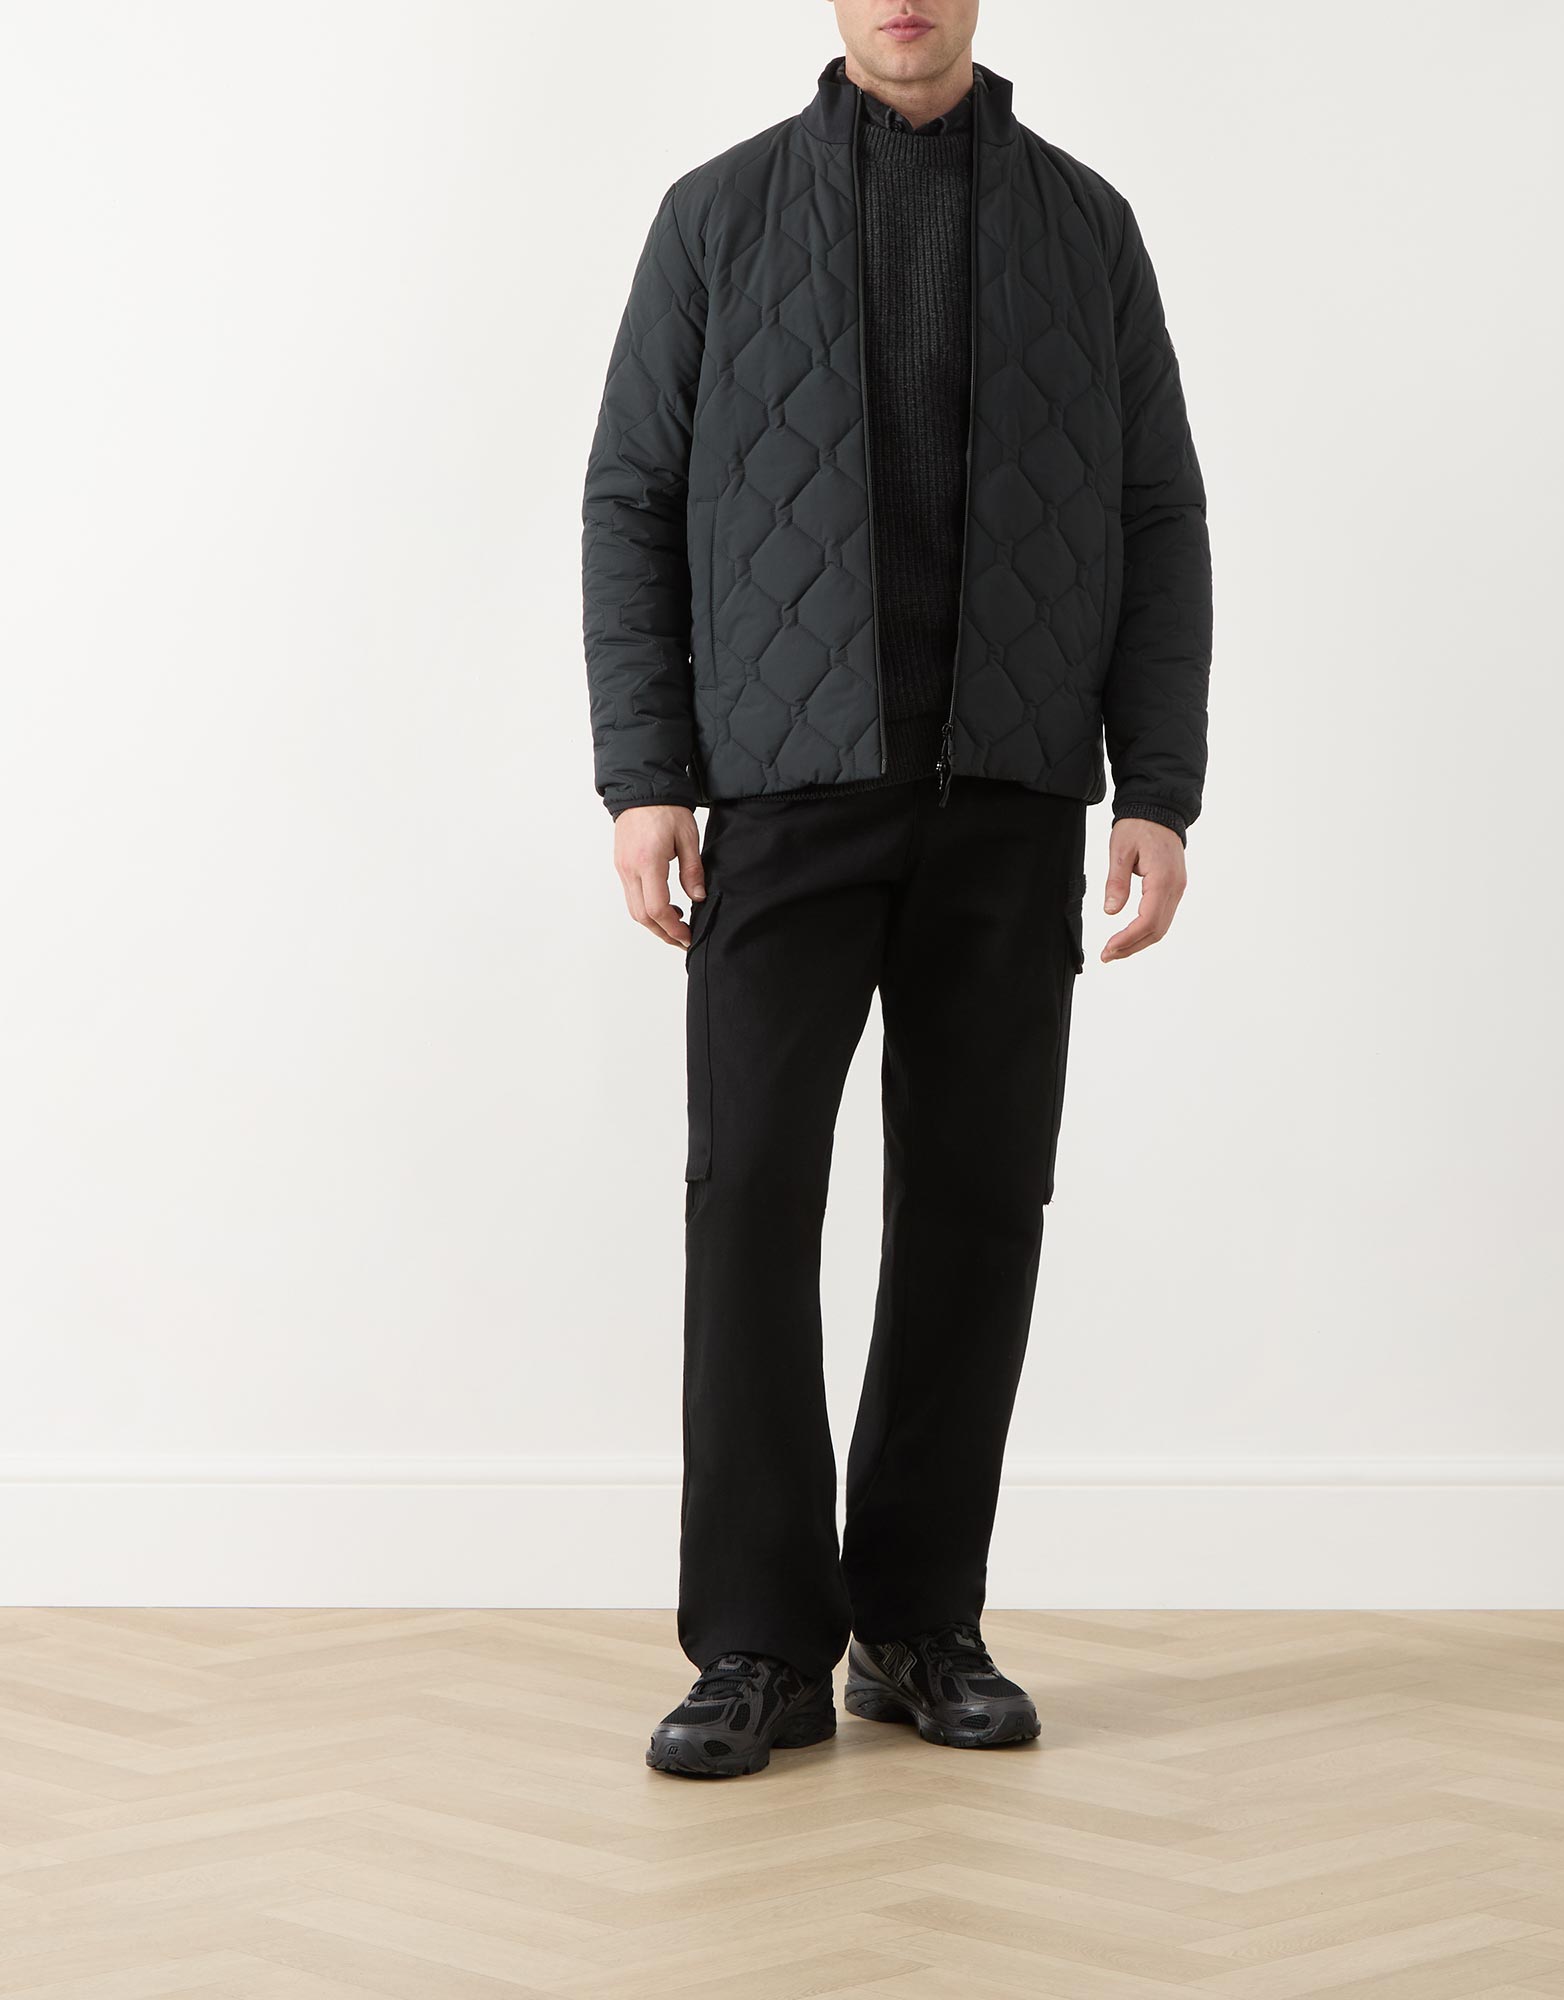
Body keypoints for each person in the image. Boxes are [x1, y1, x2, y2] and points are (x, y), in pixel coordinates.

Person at [581, 0, 1210, 1779]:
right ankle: (757, 1644)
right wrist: (646, 772)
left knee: (978, 1205)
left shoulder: (1085, 226)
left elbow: (1157, 510)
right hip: (785, 800)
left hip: (1011, 795)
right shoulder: (717, 216)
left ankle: (920, 1624)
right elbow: (632, 498)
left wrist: (1157, 785)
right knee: (754, 1199)